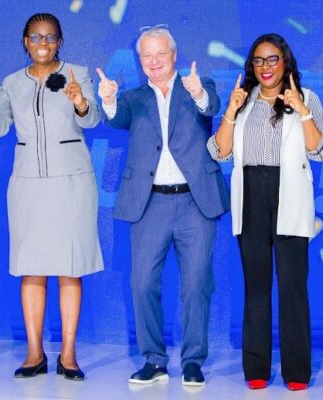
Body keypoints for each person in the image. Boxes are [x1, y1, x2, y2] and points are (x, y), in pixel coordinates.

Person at [0, 13, 103, 380]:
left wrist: (79, 101)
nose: (43, 43)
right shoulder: (12, 83)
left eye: (50, 37)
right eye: (35, 36)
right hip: (28, 183)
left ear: (59, 41)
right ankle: (34, 353)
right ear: (25, 42)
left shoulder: (78, 74)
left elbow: (92, 119)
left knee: (69, 268)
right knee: (32, 268)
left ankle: (69, 354)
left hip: (72, 183)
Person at [97, 26, 229, 386]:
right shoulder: (133, 98)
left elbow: (211, 106)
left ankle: (193, 361)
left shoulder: (198, 86)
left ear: (174, 55)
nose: (154, 61)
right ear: (140, 60)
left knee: (197, 284)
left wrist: (198, 92)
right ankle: (154, 360)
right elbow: (115, 118)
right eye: (147, 55)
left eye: (160, 54)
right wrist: (108, 100)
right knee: (141, 284)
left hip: (195, 201)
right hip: (149, 202)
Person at [207, 33, 323, 391]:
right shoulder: (242, 100)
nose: (265, 67)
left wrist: (302, 110)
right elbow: (219, 152)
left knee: (293, 286)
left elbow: (320, 150)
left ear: (285, 61)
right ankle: (256, 367)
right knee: (256, 286)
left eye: (272, 59)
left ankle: (297, 371)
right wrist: (231, 111)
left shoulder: (306, 97)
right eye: (258, 60)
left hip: (289, 193)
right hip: (251, 195)